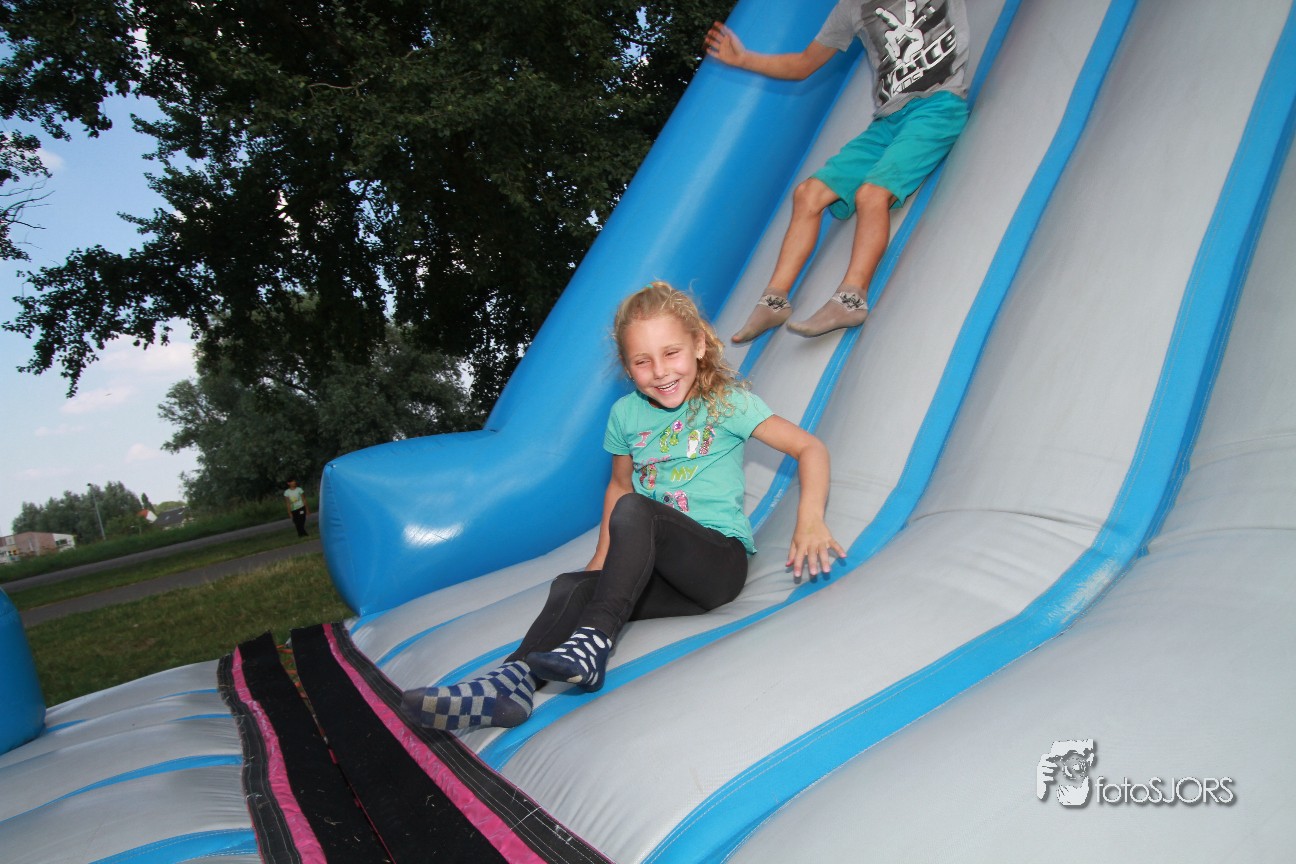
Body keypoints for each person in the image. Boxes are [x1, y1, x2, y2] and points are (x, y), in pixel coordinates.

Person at [403, 282, 845, 731]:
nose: (660, 371)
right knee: (573, 585)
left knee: (638, 510)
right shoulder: (625, 415)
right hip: (663, 576)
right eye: (642, 361)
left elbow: (810, 448)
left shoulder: (726, 403)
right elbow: (618, 486)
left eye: (671, 353)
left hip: (716, 565)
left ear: (698, 345)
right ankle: (508, 686)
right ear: (627, 367)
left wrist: (810, 519)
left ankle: (594, 641)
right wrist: (599, 564)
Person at [708, 0, 971, 343]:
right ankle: (774, 301)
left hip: (937, 106)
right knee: (808, 194)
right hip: (887, 123)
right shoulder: (851, 8)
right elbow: (804, 63)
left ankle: (851, 298)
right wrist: (744, 59)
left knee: (871, 194)